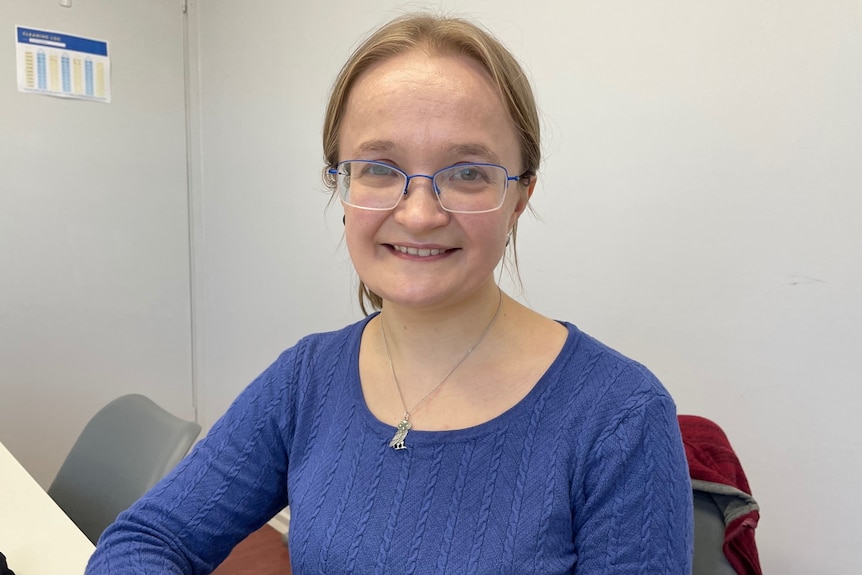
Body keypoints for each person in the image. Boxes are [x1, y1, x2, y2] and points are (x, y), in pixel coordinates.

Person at [85, 12, 693, 574]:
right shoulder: (307, 379)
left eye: (468, 173)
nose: (420, 213)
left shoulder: (621, 416)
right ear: (340, 186)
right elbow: (149, 540)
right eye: (379, 168)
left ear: (521, 196)